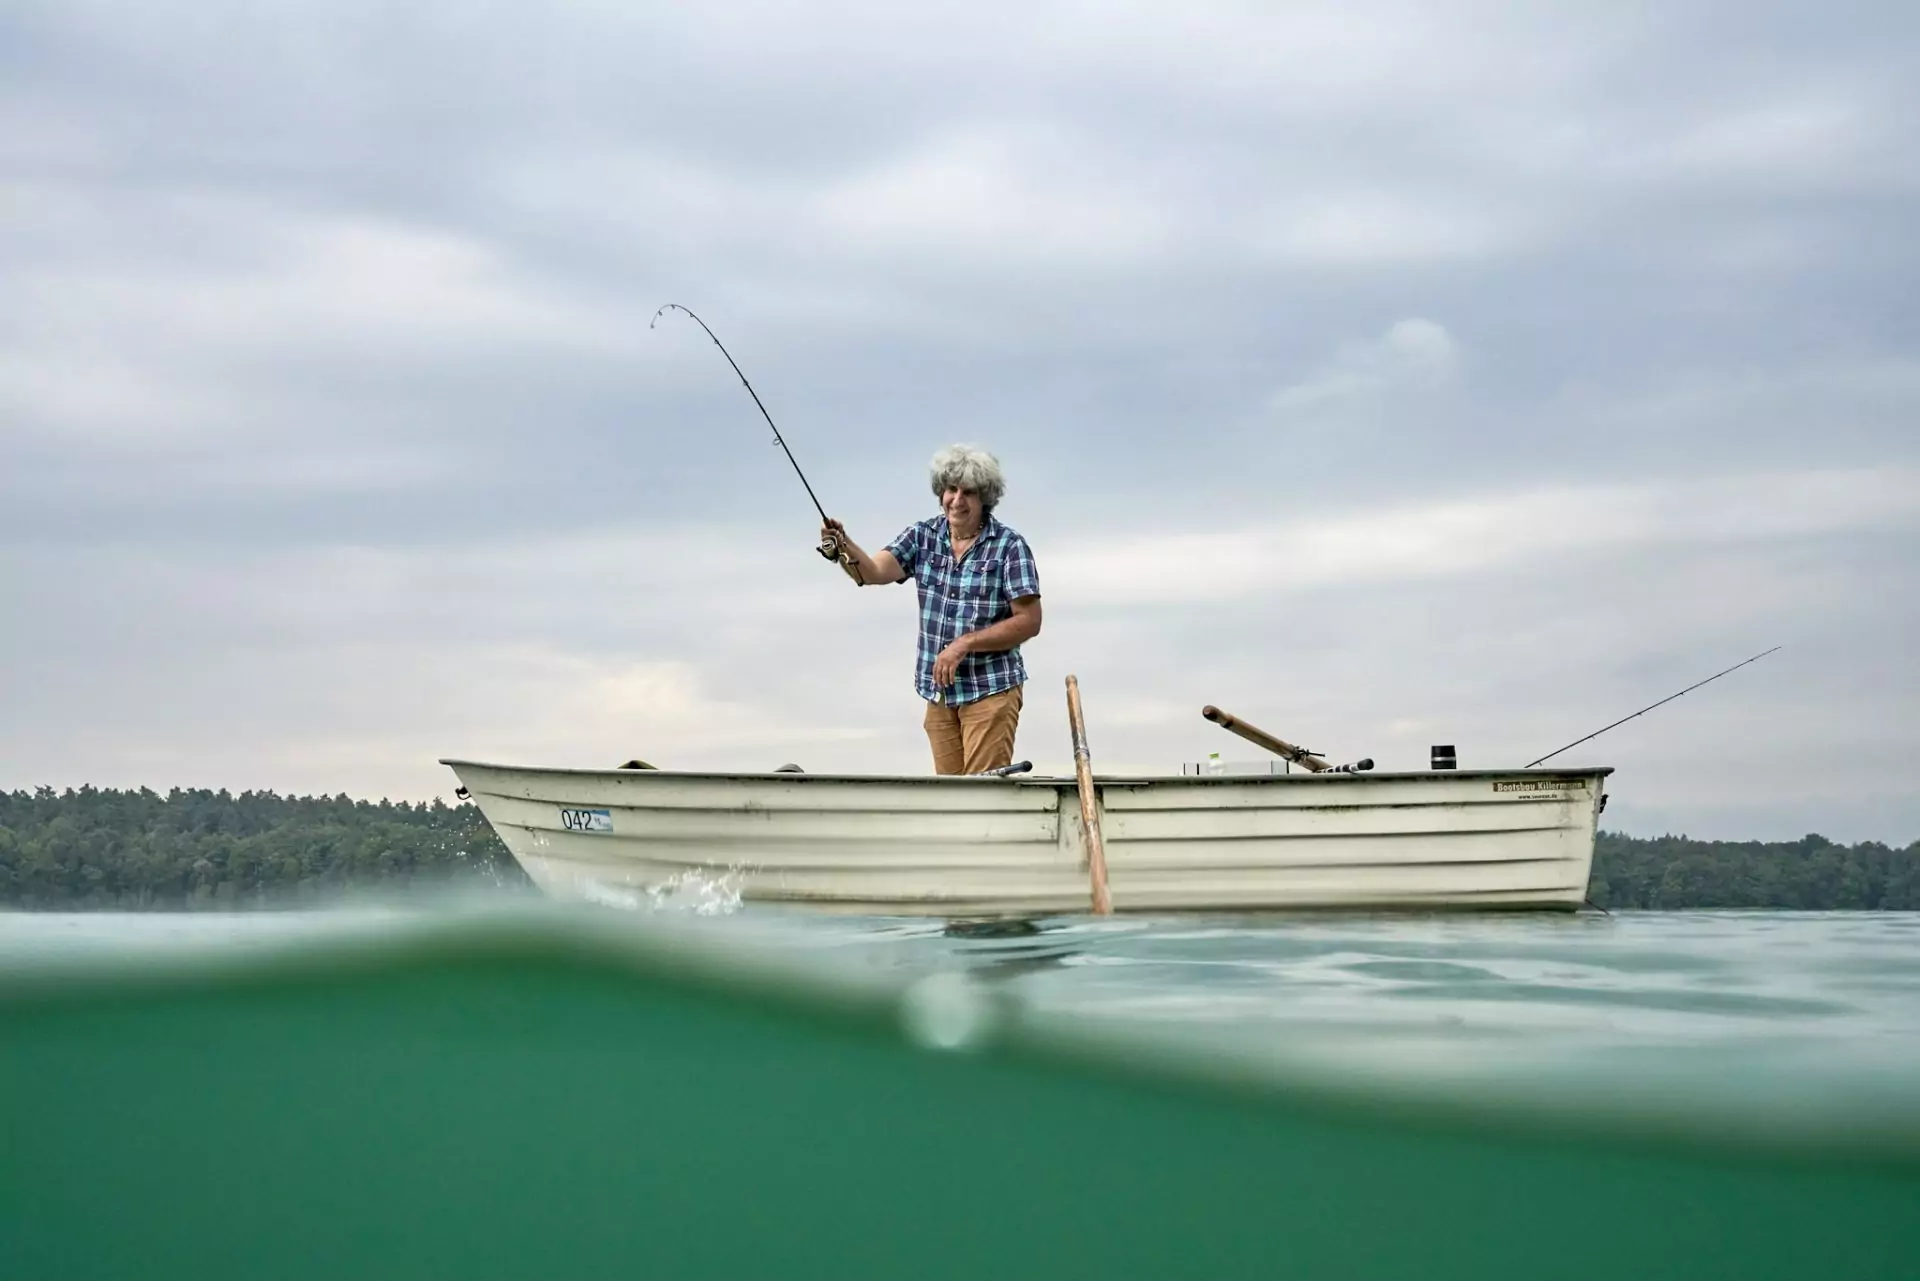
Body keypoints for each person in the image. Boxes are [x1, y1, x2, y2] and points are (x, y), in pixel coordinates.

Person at [821, 444, 1042, 775]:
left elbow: (1029, 622)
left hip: (991, 689)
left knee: (983, 798)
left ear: (985, 498)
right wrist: (842, 545)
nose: (957, 500)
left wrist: (964, 644)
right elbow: (872, 572)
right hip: (939, 694)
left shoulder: (1010, 546)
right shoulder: (922, 536)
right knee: (951, 801)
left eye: (968, 492)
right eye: (951, 490)